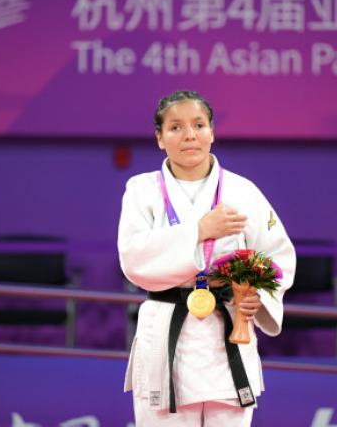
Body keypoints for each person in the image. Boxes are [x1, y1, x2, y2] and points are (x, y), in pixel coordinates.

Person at [118, 90, 295, 426]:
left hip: (227, 332)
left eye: (199, 125)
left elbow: (278, 255)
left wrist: (260, 295)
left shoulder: (243, 192)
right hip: (167, 331)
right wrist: (198, 230)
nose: (189, 135)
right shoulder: (141, 191)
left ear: (212, 133)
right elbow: (133, 259)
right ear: (159, 138)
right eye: (175, 127)